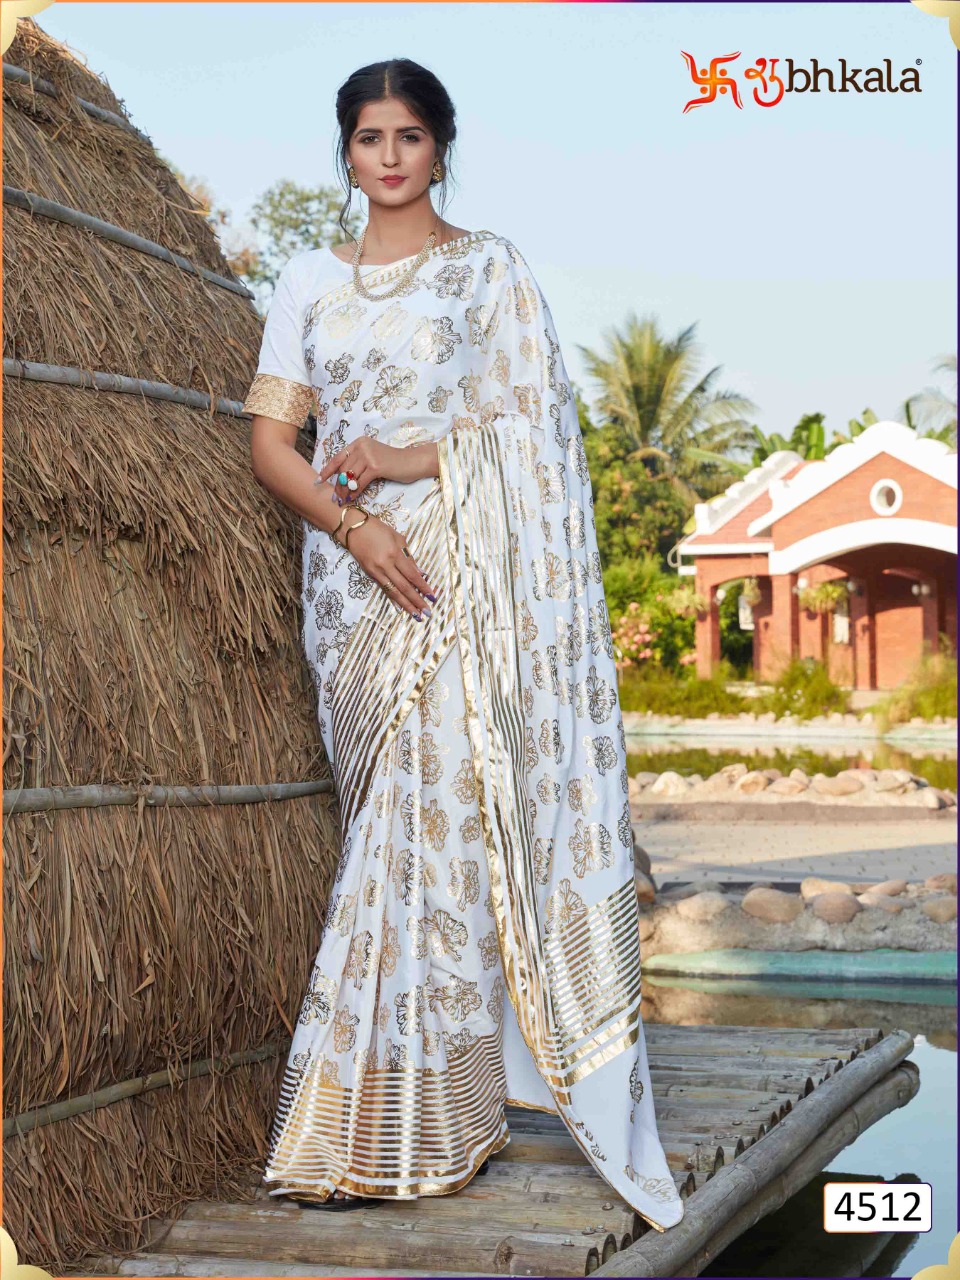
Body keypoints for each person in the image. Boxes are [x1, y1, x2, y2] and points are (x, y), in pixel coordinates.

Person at [243, 57, 684, 1232]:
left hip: (460, 573)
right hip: (353, 584)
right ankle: (421, 1101)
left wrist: (402, 461)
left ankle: (403, 1121)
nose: (389, 157)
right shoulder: (307, 279)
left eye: (409, 136)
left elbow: (536, 433)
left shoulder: (491, 271)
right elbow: (273, 443)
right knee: (384, 820)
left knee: (434, 820)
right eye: (368, 137)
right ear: (345, 150)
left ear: (441, 145)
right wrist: (356, 524)